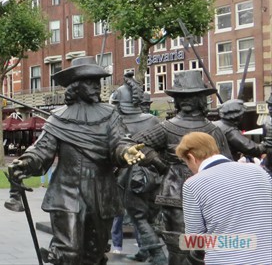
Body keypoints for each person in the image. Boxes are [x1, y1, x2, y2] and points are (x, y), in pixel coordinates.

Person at [8, 56, 144, 265]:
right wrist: (25, 163)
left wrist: (125, 152)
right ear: (77, 85)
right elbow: (42, 151)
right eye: (91, 82)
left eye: (98, 81)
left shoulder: (110, 115)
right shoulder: (58, 117)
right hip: (67, 192)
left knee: (95, 252)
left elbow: (119, 141)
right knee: (68, 253)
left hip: (101, 193)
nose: (97, 86)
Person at [131, 70, 232, 265]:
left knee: (204, 247)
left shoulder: (214, 130)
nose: (185, 100)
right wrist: (159, 164)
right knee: (178, 245)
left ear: (201, 99)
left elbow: (226, 162)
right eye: (181, 96)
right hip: (175, 194)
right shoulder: (165, 127)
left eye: (191, 96)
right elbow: (134, 144)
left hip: (209, 194)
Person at [177, 132, 272, 265]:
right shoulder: (259, 171)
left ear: (191, 157)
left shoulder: (193, 184)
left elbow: (194, 240)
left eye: (186, 162)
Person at [109, 71, 164, 263]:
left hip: (126, 178)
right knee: (147, 216)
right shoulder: (152, 120)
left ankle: (156, 254)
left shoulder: (116, 123)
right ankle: (144, 250)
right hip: (153, 176)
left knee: (138, 218)